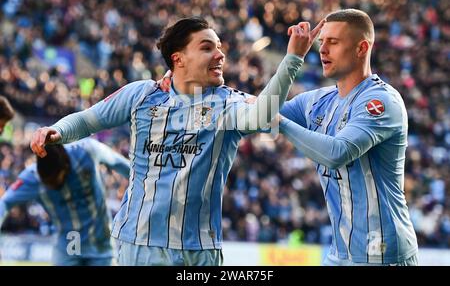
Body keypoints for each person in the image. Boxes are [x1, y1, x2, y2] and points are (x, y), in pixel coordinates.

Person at [30, 16, 324, 265]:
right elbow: (87, 120)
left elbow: (262, 116)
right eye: (208, 48)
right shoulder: (141, 95)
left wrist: (293, 59)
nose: (220, 55)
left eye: (220, 48)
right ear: (178, 59)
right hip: (139, 243)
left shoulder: (228, 103)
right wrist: (57, 130)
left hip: (200, 250)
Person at [278, 9, 418, 265]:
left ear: (361, 48)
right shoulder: (317, 100)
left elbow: (337, 153)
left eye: (333, 42)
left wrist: (280, 123)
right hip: (339, 254)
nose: (322, 50)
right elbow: (261, 113)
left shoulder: (381, 100)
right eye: (322, 42)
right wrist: (292, 59)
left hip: (384, 255)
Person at [0, 138, 130, 265]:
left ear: (66, 167)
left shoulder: (87, 152)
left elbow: (128, 169)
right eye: (48, 183)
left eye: (56, 181)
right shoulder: (33, 178)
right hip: (68, 248)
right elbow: (5, 203)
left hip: (101, 247)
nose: (53, 185)